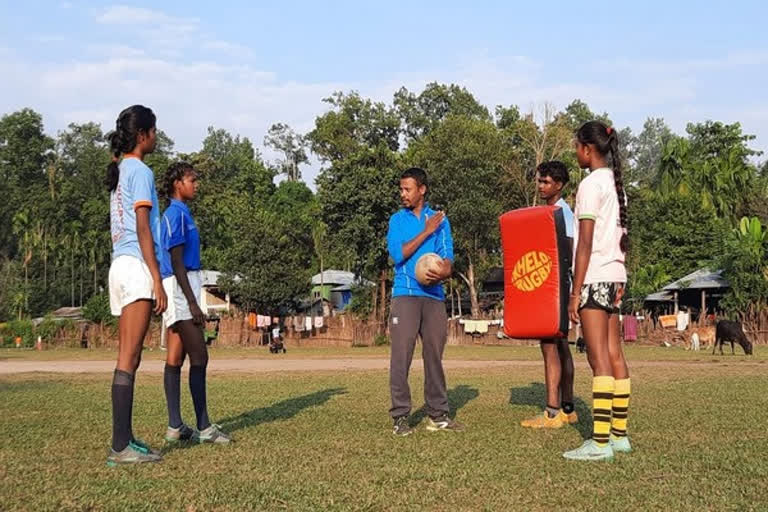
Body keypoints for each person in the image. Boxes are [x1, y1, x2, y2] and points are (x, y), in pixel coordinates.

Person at [564, 121, 632, 461]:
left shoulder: (590, 185)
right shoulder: (617, 185)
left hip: (594, 278)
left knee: (598, 358)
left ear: (588, 150)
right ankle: (619, 436)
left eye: (576, 147)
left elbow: (585, 243)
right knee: (615, 353)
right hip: (616, 275)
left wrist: (575, 293)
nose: (575, 152)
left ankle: (600, 443)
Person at [106, 105, 167, 466]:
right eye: (155, 131)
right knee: (129, 356)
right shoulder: (140, 171)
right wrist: (156, 277)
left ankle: (125, 438)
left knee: (134, 355)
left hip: (121, 266)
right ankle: (119, 446)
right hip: (136, 267)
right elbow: (143, 228)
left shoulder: (119, 170)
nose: (157, 137)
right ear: (142, 134)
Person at [386, 167, 464, 436]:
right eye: (401, 189)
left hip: (434, 297)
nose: (402, 194)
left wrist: (444, 271)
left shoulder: (441, 220)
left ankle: (438, 414)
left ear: (422, 189)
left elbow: (448, 258)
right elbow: (398, 255)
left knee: (434, 356)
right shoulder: (397, 220)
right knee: (401, 357)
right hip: (405, 295)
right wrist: (425, 231)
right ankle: (400, 417)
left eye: (407, 189)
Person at [160, 162, 232, 444]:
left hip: (184, 283)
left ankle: (175, 426)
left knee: (176, 357)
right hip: (180, 285)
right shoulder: (175, 215)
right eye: (192, 180)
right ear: (178, 183)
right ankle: (204, 428)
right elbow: (176, 259)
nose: (196, 184)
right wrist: (191, 302)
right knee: (200, 356)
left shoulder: (182, 213)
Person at [520, 161, 578, 429]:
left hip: (556, 288)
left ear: (559, 185)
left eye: (545, 182)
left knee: (550, 347)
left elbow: (566, 252)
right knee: (562, 346)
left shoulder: (561, 213)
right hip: (555, 287)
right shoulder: (547, 212)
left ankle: (552, 412)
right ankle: (568, 408)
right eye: (539, 181)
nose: (541, 186)